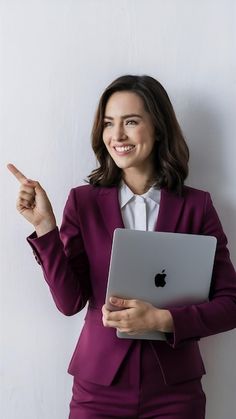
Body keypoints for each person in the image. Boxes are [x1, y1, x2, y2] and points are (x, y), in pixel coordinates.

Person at [7, 74, 236, 419]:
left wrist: (164, 319)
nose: (117, 136)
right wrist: (45, 227)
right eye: (108, 124)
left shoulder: (196, 206)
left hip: (175, 393)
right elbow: (70, 303)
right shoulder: (82, 203)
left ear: (158, 128)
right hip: (98, 390)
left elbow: (230, 303)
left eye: (130, 122)